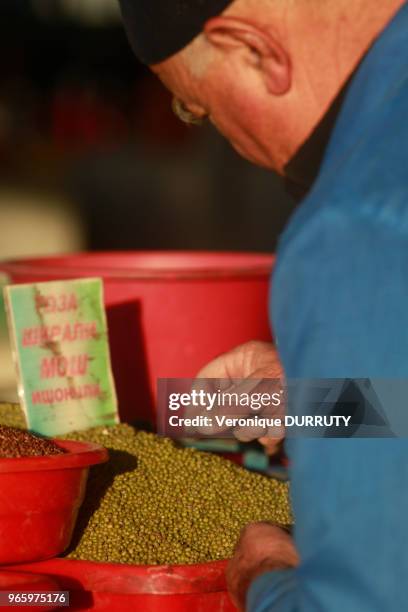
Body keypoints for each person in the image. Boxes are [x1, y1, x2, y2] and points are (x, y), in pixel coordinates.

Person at [118, 1, 408, 610]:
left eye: (202, 111)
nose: (241, 149)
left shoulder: (355, 228)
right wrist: (322, 402)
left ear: (256, 49)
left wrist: (268, 578)